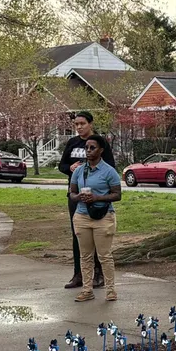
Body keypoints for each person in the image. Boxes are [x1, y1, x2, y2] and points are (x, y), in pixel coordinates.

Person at [57, 112, 114, 289]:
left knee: (96, 235)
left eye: (82, 123)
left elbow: (110, 166)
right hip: (76, 195)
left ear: (90, 123)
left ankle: (98, 274)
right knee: (78, 234)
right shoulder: (72, 143)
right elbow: (62, 165)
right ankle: (79, 274)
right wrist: (71, 168)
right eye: (76, 124)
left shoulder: (100, 142)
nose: (79, 127)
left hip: (96, 195)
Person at [69, 134, 123, 302]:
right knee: (85, 256)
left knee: (104, 255)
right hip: (82, 216)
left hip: (103, 217)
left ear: (101, 150)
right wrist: (78, 197)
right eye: (86, 148)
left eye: (92, 148)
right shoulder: (79, 170)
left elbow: (117, 195)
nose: (88, 151)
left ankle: (111, 290)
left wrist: (97, 198)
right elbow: (71, 193)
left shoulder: (109, 171)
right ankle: (87, 290)